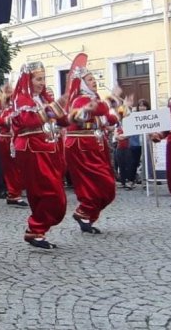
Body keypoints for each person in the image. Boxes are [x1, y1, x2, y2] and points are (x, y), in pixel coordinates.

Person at [10, 61, 67, 249]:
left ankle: (37, 230)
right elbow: (28, 120)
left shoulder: (44, 99)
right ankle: (36, 228)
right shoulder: (21, 99)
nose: (42, 83)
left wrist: (64, 106)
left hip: (48, 149)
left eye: (44, 79)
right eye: (38, 79)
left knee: (52, 192)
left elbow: (64, 120)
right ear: (29, 80)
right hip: (31, 149)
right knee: (47, 192)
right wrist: (53, 108)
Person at [63, 68, 120, 234]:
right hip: (82, 146)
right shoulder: (80, 100)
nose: (94, 81)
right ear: (81, 84)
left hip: (95, 145)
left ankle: (85, 214)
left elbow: (110, 118)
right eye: (89, 79)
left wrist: (125, 109)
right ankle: (85, 210)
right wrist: (113, 99)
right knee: (100, 184)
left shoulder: (94, 100)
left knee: (106, 186)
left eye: (94, 78)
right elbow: (96, 110)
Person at [0, 83, 28, 207]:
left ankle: (15, 192)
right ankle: (13, 194)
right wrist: (2, 92)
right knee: (12, 168)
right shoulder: (2, 105)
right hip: (7, 139)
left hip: (16, 138)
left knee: (19, 167)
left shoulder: (17, 103)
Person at [115, 99, 148, 188]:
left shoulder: (150, 116)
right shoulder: (133, 116)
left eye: (144, 106)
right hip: (135, 142)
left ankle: (145, 181)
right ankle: (131, 180)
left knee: (146, 162)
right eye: (140, 106)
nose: (142, 108)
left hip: (146, 143)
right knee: (134, 162)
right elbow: (126, 119)